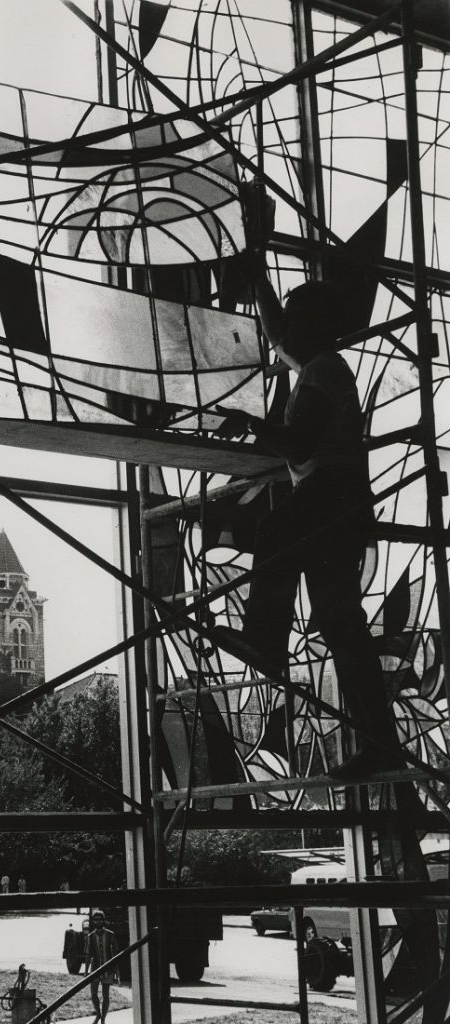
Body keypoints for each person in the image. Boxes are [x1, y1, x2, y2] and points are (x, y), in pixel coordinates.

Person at [212, 186, 404, 780]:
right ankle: (378, 741)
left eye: (297, 313)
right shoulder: (320, 363)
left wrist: (249, 423)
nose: (287, 324)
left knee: (276, 533)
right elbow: (277, 334)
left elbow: (300, 445)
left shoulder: (325, 370)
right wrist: (260, 271)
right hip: (339, 501)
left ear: (316, 323)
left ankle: (265, 642)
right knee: (341, 625)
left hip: (330, 496)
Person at [84, 910, 118, 1024]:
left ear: (103, 920)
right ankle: (98, 1014)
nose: (98, 921)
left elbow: (115, 954)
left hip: (108, 968)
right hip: (95, 969)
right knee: (93, 994)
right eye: (96, 919)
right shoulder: (90, 936)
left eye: (100, 919)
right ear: (93, 921)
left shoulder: (110, 934)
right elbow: (88, 955)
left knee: (105, 995)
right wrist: (86, 971)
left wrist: (117, 971)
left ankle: (103, 1019)